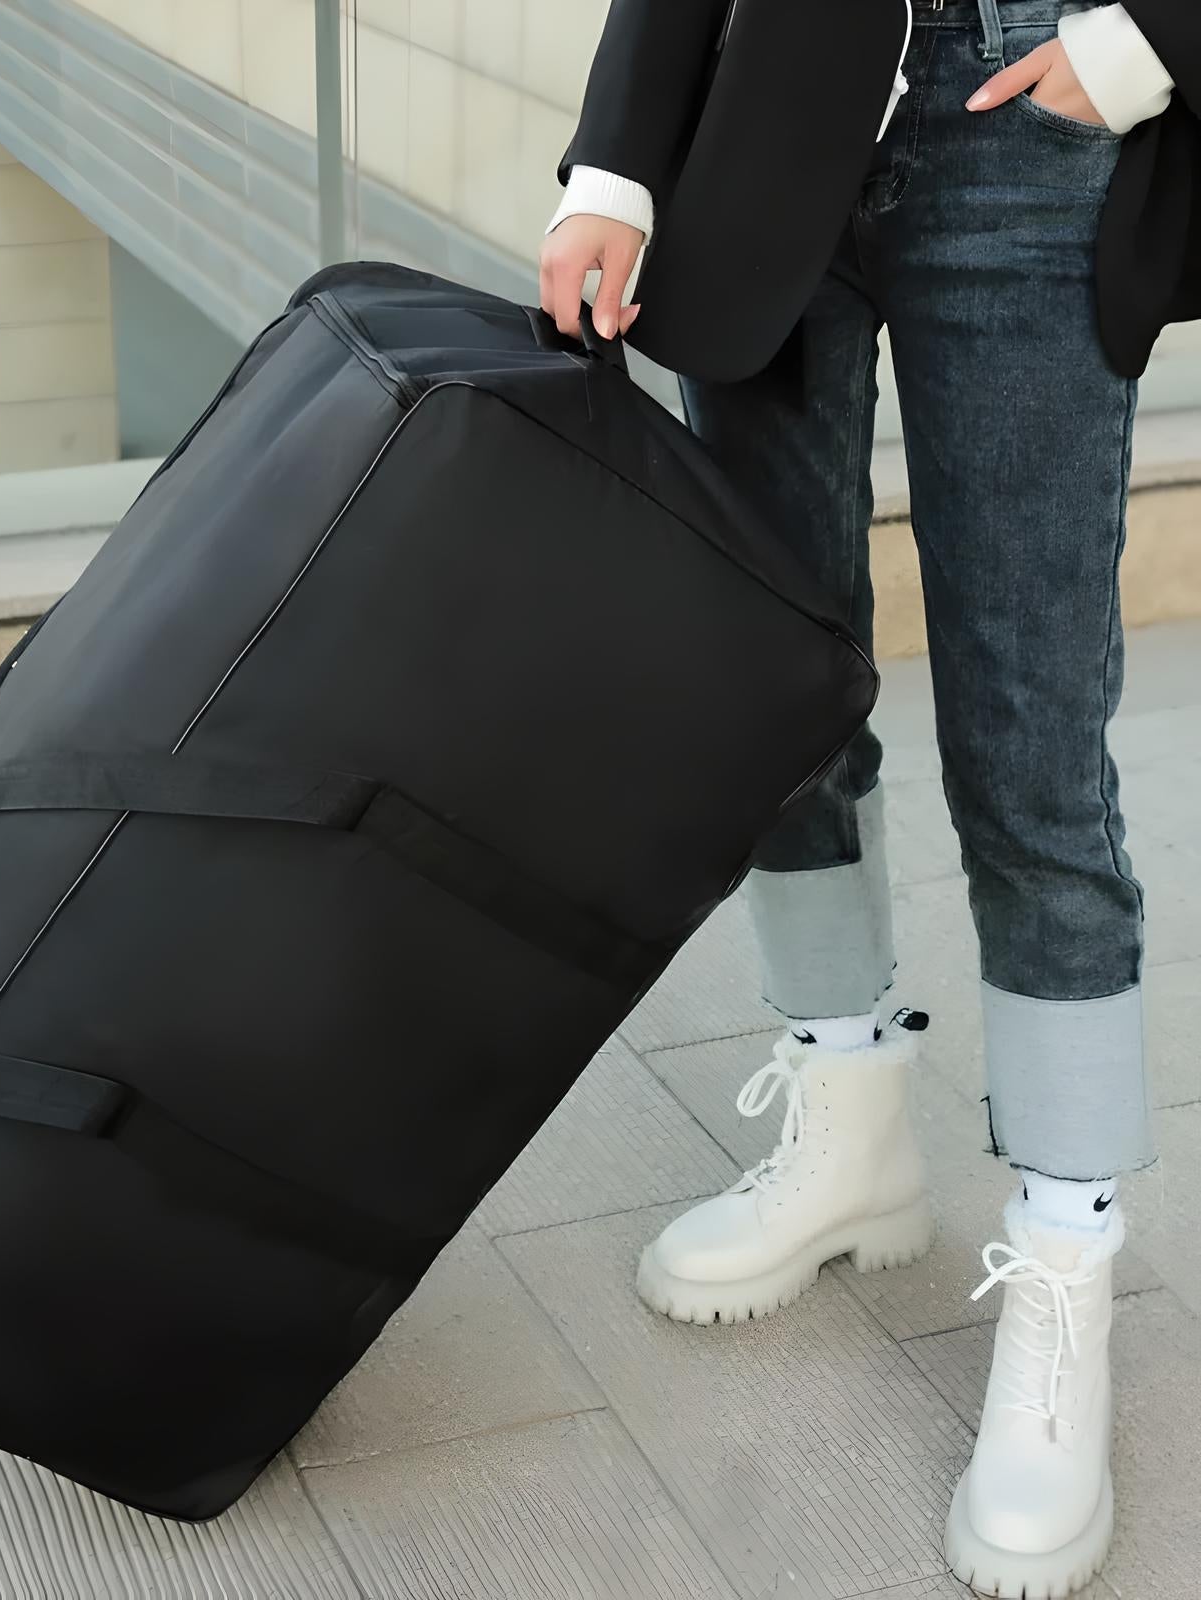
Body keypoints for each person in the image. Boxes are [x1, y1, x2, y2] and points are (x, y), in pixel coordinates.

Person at [540, 2, 1200, 1595]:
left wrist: (1156, 37)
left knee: (1029, 742)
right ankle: (848, 1132)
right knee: (776, 689)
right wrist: (619, 163)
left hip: (1045, 123)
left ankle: (1063, 1259)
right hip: (772, 137)